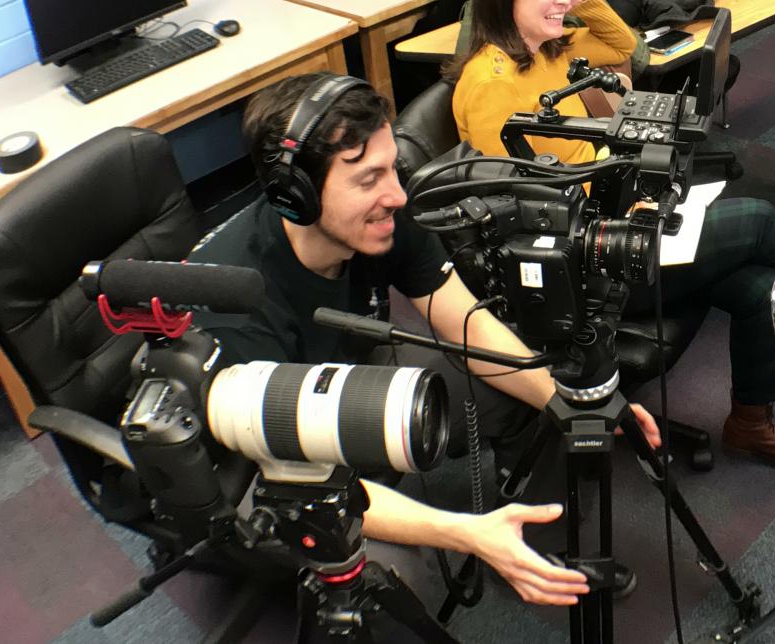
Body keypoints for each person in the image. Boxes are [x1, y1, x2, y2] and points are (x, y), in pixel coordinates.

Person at [190, 72, 664, 609]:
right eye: (368, 179)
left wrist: (583, 406)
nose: (395, 194)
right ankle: (483, 543)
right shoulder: (231, 298)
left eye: (391, 166)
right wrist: (464, 533)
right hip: (257, 474)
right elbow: (299, 481)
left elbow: (470, 328)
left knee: (528, 390)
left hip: (339, 381)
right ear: (292, 195)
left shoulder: (385, 217)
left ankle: (533, 537)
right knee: (389, 584)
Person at [445, 0, 775, 469]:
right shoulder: (492, 86)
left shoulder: (548, 48)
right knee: (763, 221)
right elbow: (531, 210)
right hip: (583, 262)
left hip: (611, 217)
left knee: (758, 286)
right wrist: (624, 184)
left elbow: (629, 47)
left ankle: (749, 423)